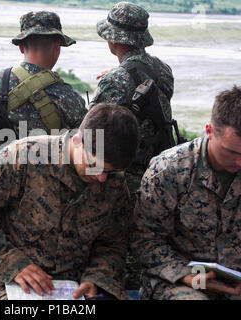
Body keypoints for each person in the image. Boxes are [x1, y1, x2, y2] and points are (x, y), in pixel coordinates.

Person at [0, 103, 140, 300]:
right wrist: (10, 262)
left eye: (109, 172)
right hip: (14, 280)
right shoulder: (23, 157)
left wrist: (97, 278)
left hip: (77, 284)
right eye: (94, 165)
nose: (102, 178)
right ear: (77, 141)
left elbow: (113, 241)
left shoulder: (114, 182)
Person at [130, 86, 241, 300]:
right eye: (232, 152)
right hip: (179, 280)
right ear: (208, 131)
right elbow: (143, 239)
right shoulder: (169, 169)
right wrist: (188, 276)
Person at [88, 1, 175, 290]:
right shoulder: (164, 70)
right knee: (149, 243)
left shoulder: (114, 80)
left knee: (116, 250)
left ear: (113, 39)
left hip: (122, 178)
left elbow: (93, 132)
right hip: (159, 173)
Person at [0, 11, 87, 181]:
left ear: (21, 47)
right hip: (45, 198)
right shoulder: (70, 98)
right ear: (57, 46)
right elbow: (86, 154)